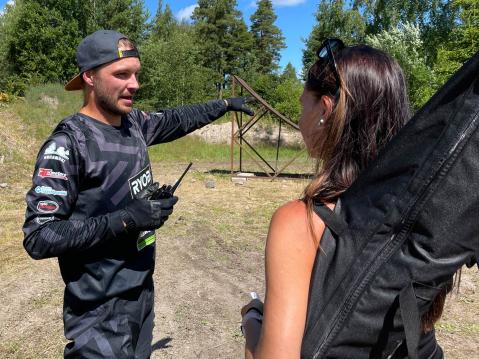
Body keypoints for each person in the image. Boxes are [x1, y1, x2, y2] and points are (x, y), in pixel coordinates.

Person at [22, 29, 253, 358]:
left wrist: (224, 104)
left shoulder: (134, 124)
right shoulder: (68, 143)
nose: (134, 84)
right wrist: (128, 219)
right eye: (121, 75)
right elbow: (40, 236)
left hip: (141, 291)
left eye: (136, 74)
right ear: (89, 76)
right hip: (99, 309)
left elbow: (175, 119)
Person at [240, 40, 448, 358]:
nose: (299, 119)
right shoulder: (424, 207)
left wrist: (253, 320)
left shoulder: (300, 222)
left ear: (324, 109)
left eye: (302, 107)